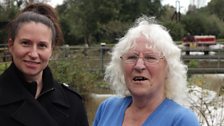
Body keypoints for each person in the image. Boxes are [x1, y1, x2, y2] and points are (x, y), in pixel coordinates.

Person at [93, 16, 200, 126]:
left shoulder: (182, 120)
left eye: (150, 58)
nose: (139, 66)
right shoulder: (107, 109)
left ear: (168, 69)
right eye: (132, 57)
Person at [0, 3, 89, 126]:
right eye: (26, 43)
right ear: (11, 45)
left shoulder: (72, 102)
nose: (34, 54)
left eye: (42, 45)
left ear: (51, 49)